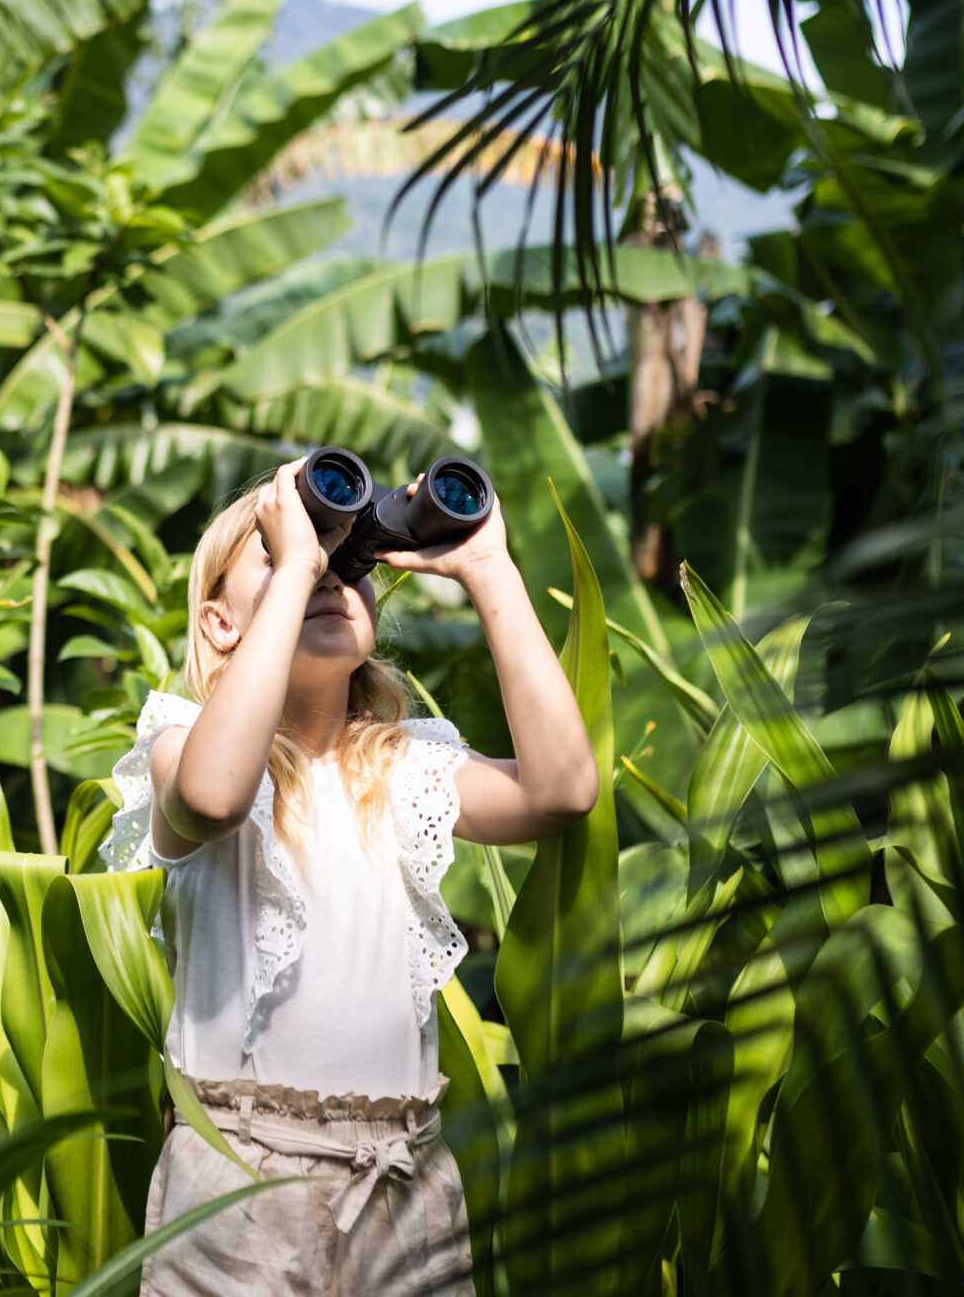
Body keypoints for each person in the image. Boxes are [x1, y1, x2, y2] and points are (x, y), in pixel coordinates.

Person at [104, 460, 600, 1297]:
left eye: (349, 562)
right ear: (219, 625)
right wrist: (302, 561)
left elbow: (562, 791)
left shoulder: (406, 767)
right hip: (240, 1182)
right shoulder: (181, 741)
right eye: (283, 550)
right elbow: (214, 796)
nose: (330, 567)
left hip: (401, 1181)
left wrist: (488, 569)